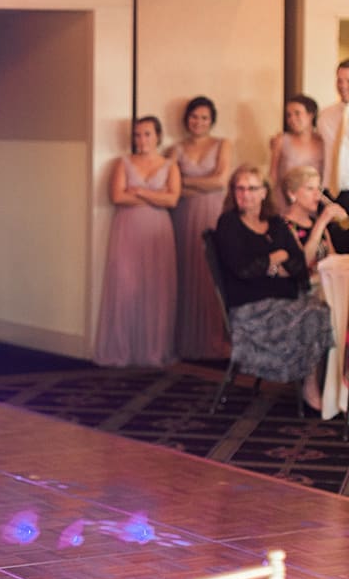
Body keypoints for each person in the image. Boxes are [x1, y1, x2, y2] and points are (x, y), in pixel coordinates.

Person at [214, 164, 332, 410]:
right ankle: (310, 388)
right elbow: (242, 270)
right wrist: (275, 258)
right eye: (240, 188)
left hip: (283, 300)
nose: (245, 194)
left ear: (264, 192)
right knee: (316, 314)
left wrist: (273, 266)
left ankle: (325, 387)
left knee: (330, 310)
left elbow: (299, 264)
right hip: (251, 309)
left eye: (252, 188)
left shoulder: (276, 223)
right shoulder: (229, 224)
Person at [94, 116, 181, 367]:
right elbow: (117, 197)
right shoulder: (123, 162)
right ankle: (122, 349)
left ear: (158, 136)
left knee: (156, 287)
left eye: (147, 134)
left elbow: (172, 200)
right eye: (137, 135)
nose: (141, 140)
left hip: (158, 231)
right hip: (128, 229)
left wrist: (141, 192)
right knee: (125, 285)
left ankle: (154, 350)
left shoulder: (169, 165)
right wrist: (157, 196)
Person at [166, 95, 232, 361]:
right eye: (194, 117)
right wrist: (194, 184)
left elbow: (220, 181)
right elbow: (169, 184)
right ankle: (186, 339)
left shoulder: (222, 144)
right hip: (182, 214)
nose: (199, 122)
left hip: (212, 212)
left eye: (204, 117)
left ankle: (213, 337)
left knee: (210, 271)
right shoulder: (175, 149)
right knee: (184, 270)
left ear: (212, 121)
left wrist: (187, 183)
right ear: (186, 119)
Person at [280, 165, 347, 285]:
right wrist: (322, 222)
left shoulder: (315, 222)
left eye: (319, 189)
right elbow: (301, 264)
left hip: (325, 287)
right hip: (302, 293)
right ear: (292, 194)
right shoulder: (284, 226)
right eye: (310, 189)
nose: (318, 195)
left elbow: (332, 259)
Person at [318, 59, 349, 250]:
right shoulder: (325, 116)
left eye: (348, 80)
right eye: (339, 80)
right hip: (333, 193)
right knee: (336, 250)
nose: (343, 86)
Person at [268, 94, 324, 191]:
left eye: (297, 113)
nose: (292, 119)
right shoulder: (282, 140)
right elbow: (272, 175)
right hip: (284, 199)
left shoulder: (322, 142)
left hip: (313, 199)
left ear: (311, 115)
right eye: (289, 115)